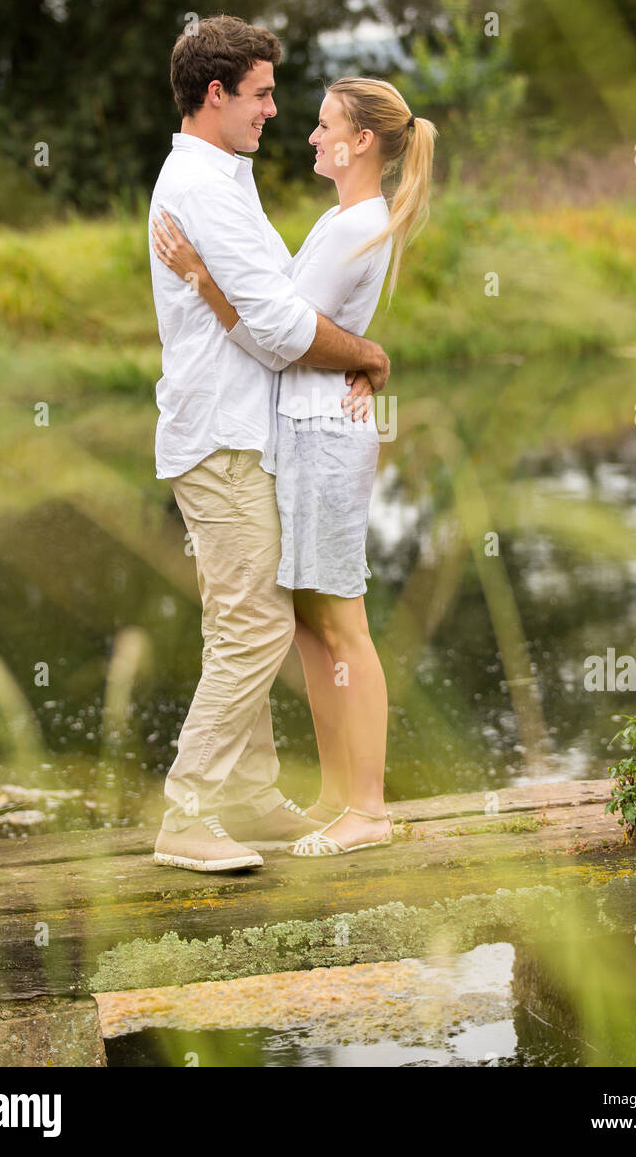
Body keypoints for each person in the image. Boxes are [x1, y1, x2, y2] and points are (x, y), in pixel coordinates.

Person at [151, 76, 437, 854]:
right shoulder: (338, 219)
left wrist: (202, 279)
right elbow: (288, 317)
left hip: (324, 436)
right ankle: (339, 796)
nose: (309, 136)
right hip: (303, 431)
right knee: (312, 628)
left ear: (362, 142)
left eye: (323, 126)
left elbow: (279, 331)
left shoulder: (357, 226)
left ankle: (368, 811)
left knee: (341, 623)